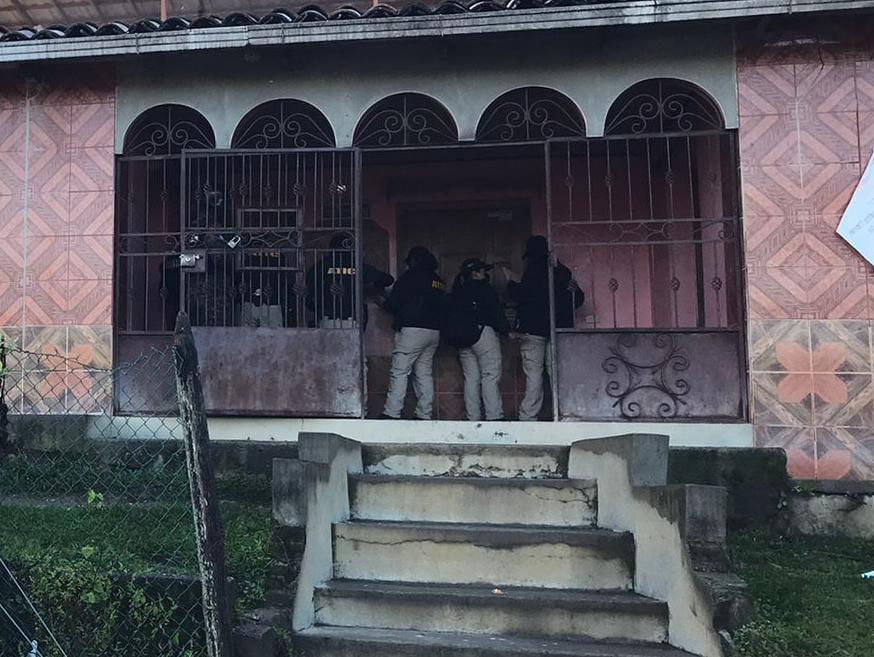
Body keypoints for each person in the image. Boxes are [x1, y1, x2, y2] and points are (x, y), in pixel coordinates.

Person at [507, 235, 583, 421]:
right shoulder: (562, 272)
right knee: (556, 375)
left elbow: (522, 296)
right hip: (558, 330)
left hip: (533, 330)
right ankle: (564, 414)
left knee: (533, 375)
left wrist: (510, 282)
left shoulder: (532, 271)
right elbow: (578, 300)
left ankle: (528, 417)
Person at [380, 246, 447, 420]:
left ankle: (392, 412)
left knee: (400, 371)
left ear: (413, 261)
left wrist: (382, 303)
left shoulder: (409, 278)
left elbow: (394, 303)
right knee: (423, 373)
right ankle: (424, 414)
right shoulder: (438, 281)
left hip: (412, 330)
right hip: (434, 332)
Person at [447, 258, 510, 422]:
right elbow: (495, 312)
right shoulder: (484, 288)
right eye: (482, 271)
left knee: (471, 379)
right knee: (490, 376)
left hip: (463, 339)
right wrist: (507, 331)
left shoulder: (457, 290)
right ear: (474, 273)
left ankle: (473, 418)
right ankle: (494, 417)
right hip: (483, 334)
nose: (485, 274)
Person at [305, 232, 393, 329]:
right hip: (353, 319)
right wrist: (374, 285)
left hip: (327, 319)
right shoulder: (358, 266)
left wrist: (320, 309)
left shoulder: (321, 266)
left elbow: (307, 295)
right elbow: (388, 280)